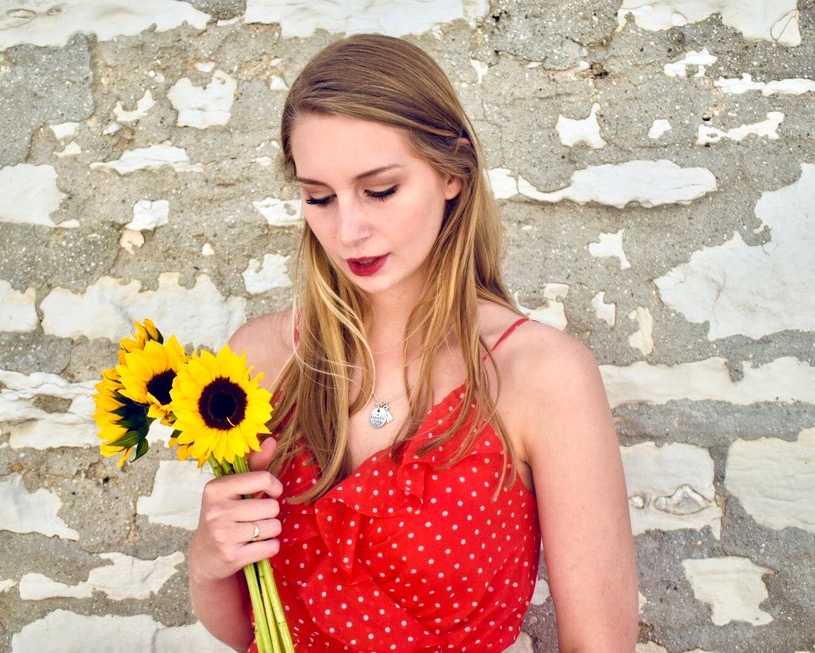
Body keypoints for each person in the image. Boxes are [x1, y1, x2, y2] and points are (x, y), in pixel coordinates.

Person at [187, 34, 638, 652]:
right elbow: (249, 632)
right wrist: (207, 560)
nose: (348, 229)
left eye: (379, 190)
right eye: (319, 197)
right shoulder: (259, 361)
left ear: (452, 173)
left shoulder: (541, 375)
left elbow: (599, 643)